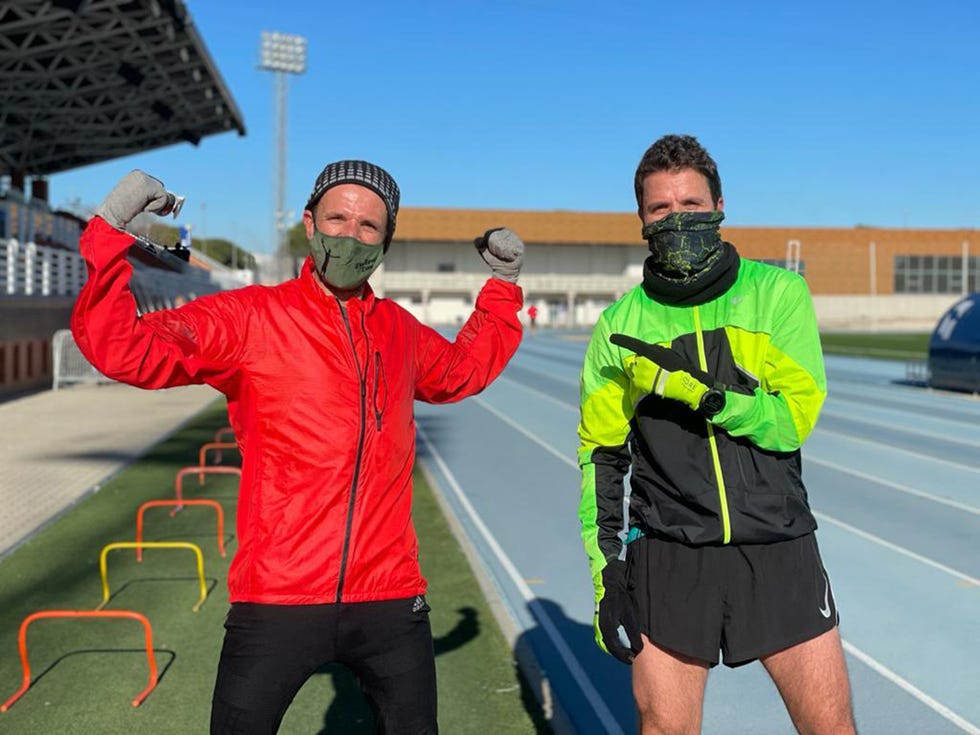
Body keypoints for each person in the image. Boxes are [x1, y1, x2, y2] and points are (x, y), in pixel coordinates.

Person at [71, 160, 526, 734]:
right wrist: (110, 231)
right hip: (277, 596)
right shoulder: (250, 318)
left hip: (389, 596)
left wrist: (503, 290)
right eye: (337, 218)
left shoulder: (398, 329)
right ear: (310, 224)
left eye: (368, 227)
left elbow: (462, 371)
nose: (349, 236)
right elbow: (124, 348)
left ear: (385, 241)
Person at [576, 135, 855, 734]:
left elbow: (791, 423)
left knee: (831, 729)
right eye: (661, 210)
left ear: (720, 205)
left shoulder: (778, 293)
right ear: (642, 220)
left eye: (692, 205)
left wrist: (705, 396)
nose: (678, 219)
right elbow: (600, 458)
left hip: (777, 548)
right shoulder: (618, 326)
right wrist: (608, 580)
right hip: (669, 556)